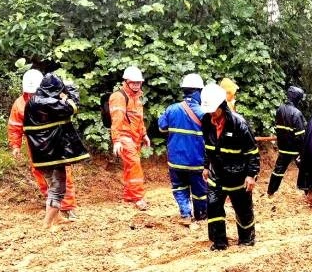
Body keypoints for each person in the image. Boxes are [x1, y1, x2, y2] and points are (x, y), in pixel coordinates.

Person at [8, 69, 79, 219]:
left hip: (56, 143)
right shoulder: (20, 104)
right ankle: (53, 208)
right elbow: (15, 126)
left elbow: (68, 112)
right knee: (42, 176)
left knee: (63, 175)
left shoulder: (52, 100)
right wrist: (15, 146)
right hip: (35, 146)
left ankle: (66, 208)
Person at [23, 73, 90, 228]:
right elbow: (72, 107)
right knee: (58, 187)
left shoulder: (34, 101)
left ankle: (55, 218)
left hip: (42, 153)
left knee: (52, 185)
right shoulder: (46, 102)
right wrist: (70, 90)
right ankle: (46, 223)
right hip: (52, 153)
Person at [200, 83, 260, 251]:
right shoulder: (206, 121)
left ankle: (246, 239)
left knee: (243, 209)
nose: (212, 113)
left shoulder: (238, 123)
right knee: (213, 206)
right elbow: (208, 146)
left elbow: (252, 151)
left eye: (214, 110)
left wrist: (251, 174)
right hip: (217, 174)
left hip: (238, 175)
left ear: (222, 106)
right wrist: (206, 166)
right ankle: (219, 242)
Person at [158, 73, 207, 227]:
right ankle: (201, 216)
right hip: (196, 162)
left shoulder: (171, 109)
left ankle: (185, 214)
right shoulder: (204, 113)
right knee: (200, 192)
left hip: (175, 161)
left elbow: (161, 127)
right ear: (199, 92)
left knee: (179, 188)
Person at [110, 65, 150, 210]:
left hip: (135, 136)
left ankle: (129, 195)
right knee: (134, 164)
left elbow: (139, 118)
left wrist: (144, 134)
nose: (136, 85)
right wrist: (116, 140)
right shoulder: (118, 97)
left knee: (130, 166)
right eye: (133, 82)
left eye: (138, 82)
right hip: (124, 136)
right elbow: (116, 120)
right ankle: (138, 197)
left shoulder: (137, 97)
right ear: (126, 81)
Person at [267, 86, 306, 196]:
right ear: (297, 98)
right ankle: (309, 194)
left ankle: (270, 192)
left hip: (283, 147)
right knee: (305, 170)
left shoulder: (280, 109)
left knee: (278, 170)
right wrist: (303, 149)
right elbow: (300, 135)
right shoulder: (296, 113)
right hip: (295, 148)